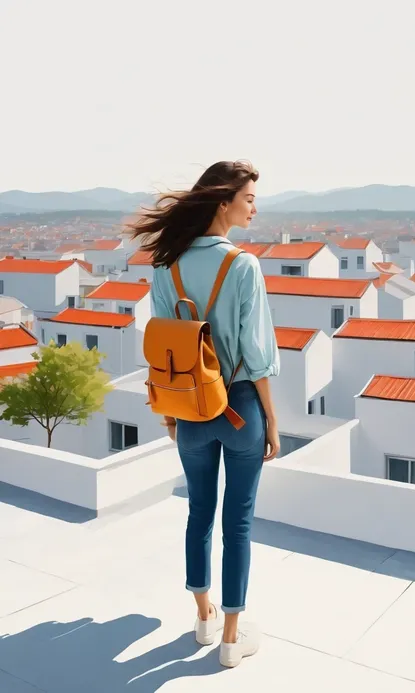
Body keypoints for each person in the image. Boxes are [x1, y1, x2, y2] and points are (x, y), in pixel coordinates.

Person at [129, 160, 280, 668]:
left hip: (187, 407)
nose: (254, 206)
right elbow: (257, 355)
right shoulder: (243, 265)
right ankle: (232, 638)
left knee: (198, 512)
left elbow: (165, 347)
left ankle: (201, 616)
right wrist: (272, 420)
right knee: (237, 524)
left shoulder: (164, 263)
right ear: (225, 202)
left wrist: (169, 413)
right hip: (238, 405)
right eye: (250, 197)